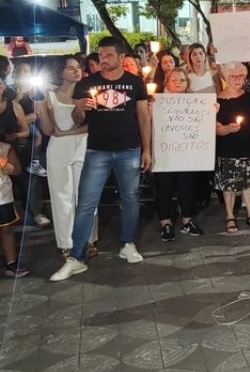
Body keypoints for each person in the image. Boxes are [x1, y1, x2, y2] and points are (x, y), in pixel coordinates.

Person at [50, 37, 151, 282]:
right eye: (100, 56)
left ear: (120, 57)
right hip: (97, 151)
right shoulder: (87, 83)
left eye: (107, 56)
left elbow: (144, 117)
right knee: (86, 203)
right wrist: (81, 108)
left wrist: (146, 150)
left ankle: (127, 244)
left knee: (130, 198)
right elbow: (77, 120)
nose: (102, 61)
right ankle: (76, 257)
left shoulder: (135, 83)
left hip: (129, 149)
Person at [35, 56, 97, 259]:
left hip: (85, 144)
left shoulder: (89, 92)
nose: (76, 71)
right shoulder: (49, 94)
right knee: (62, 196)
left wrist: (68, 132)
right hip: (58, 149)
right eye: (70, 68)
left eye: (78, 67)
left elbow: (94, 125)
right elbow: (48, 130)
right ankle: (66, 243)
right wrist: (40, 107)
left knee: (86, 195)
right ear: (61, 72)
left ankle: (89, 239)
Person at [153, 68, 204, 241]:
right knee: (164, 187)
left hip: (186, 152)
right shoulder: (157, 101)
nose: (178, 82)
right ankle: (165, 223)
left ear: (187, 84)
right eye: (174, 79)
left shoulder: (196, 102)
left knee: (187, 185)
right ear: (166, 82)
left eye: (182, 80)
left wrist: (212, 110)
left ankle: (187, 221)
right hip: (164, 152)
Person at [214, 62, 250, 234]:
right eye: (233, 76)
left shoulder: (248, 96)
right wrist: (227, 129)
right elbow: (215, 127)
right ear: (226, 77)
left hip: (249, 148)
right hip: (228, 149)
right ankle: (230, 216)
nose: (237, 79)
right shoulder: (218, 100)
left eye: (240, 76)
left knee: (249, 183)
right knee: (229, 186)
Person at [10, 62, 51, 226]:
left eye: (26, 71)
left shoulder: (36, 92)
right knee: (13, 178)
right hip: (12, 140)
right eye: (19, 70)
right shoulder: (9, 92)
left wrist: (21, 121)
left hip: (31, 142)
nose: (22, 73)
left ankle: (38, 212)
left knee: (31, 177)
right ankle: (17, 213)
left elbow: (38, 114)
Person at [0, 141, 29, 277]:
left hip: (2, 194)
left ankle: (11, 262)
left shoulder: (5, 148)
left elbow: (17, 170)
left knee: (6, 229)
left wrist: (4, 164)